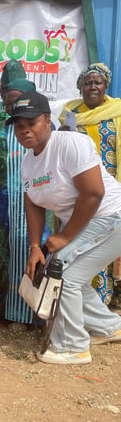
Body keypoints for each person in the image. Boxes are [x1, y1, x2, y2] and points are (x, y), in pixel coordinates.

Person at [8, 90, 121, 365]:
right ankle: (109, 327)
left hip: (111, 216)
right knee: (69, 272)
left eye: (31, 123)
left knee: (64, 275)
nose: (25, 131)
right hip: (87, 222)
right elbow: (33, 203)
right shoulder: (28, 162)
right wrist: (36, 246)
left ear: (47, 121)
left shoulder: (71, 143)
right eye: (19, 126)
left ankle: (72, 346)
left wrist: (64, 237)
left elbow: (93, 194)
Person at [0, 78, 51, 327]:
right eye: (8, 102)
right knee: (6, 257)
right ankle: (8, 312)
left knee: (39, 252)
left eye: (16, 101)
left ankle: (37, 316)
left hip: (40, 202)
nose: (11, 106)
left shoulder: (48, 133)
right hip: (5, 204)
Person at [59, 63, 121, 305]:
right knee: (82, 243)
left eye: (98, 82)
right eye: (88, 82)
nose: (93, 86)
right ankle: (79, 300)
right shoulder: (70, 115)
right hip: (81, 192)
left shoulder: (117, 112)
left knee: (106, 242)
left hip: (113, 191)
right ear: (80, 87)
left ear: (106, 86)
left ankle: (103, 299)